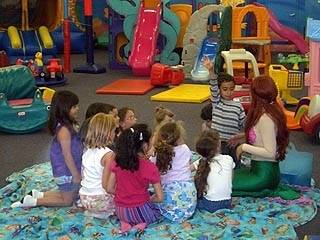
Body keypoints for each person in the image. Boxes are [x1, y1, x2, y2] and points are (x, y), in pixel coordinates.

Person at [11, 90, 83, 208]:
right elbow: (66, 154)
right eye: (74, 107)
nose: (78, 109)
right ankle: (31, 202)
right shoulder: (64, 130)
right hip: (66, 171)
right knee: (67, 201)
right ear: (64, 108)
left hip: (70, 168)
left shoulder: (68, 125)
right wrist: (75, 174)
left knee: (73, 194)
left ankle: (38, 194)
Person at [233, 75, 300, 200]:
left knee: (220, 184)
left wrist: (244, 147)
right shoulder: (267, 112)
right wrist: (243, 137)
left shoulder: (266, 119)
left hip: (264, 175)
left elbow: (270, 153)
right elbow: (263, 136)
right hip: (257, 169)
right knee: (222, 178)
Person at [107, 124, 163, 234]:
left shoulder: (117, 162)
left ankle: (126, 224)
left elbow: (109, 188)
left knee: (129, 215)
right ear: (145, 145)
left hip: (121, 211)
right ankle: (140, 225)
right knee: (157, 213)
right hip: (141, 210)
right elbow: (160, 197)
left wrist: (124, 195)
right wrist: (148, 199)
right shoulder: (150, 167)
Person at [203, 57, 246, 165]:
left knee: (234, 163)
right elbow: (213, 85)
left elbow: (243, 124)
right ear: (219, 90)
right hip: (218, 142)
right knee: (216, 163)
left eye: (232, 89)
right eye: (225, 89)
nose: (229, 92)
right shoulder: (217, 102)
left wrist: (242, 135)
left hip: (232, 142)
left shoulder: (238, 105)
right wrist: (211, 71)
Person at [152, 121, 197, 222]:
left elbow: (152, 170)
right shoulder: (185, 149)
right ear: (179, 137)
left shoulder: (157, 153)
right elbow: (188, 166)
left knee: (152, 197)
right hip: (190, 202)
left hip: (169, 201)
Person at [79, 113, 116, 219]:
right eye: (114, 131)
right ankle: (105, 211)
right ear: (108, 133)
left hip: (84, 197)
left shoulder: (87, 151)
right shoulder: (108, 155)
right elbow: (106, 185)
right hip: (99, 199)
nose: (115, 134)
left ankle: (94, 210)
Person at [194, 129, 235, 212]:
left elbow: (186, 169)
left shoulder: (202, 161)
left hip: (210, 204)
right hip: (227, 202)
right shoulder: (228, 158)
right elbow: (231, 177)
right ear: (219, 145)